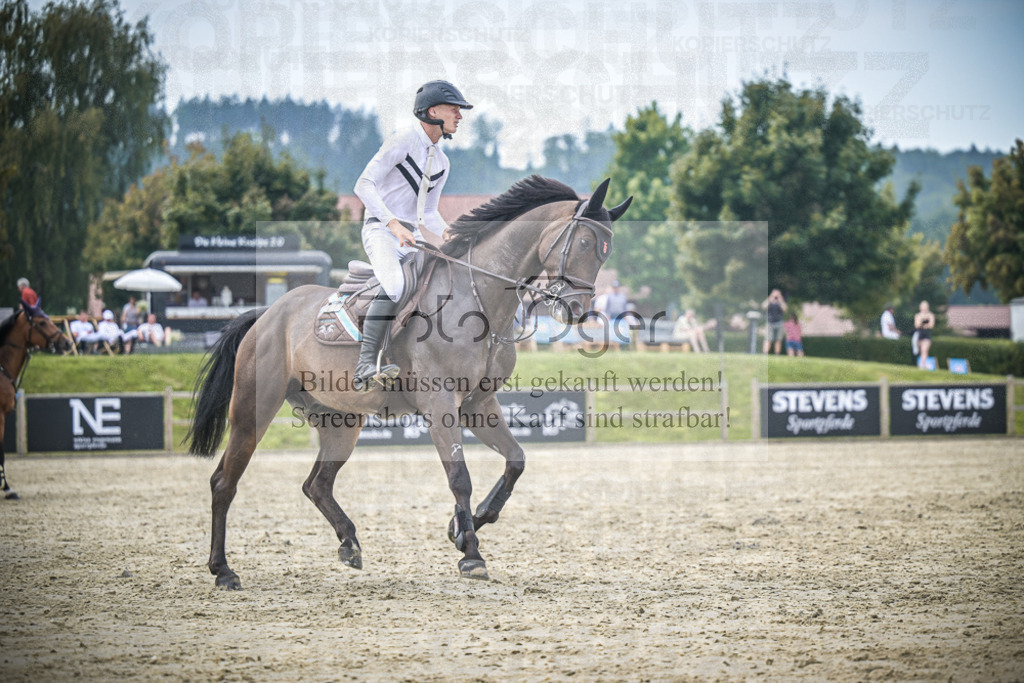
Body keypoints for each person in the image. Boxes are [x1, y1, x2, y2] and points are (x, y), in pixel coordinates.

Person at [351, 79, 472, 391]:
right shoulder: (402, 140)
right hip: (381, 231)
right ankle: (365, 364)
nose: (459, 116)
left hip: (412, 237)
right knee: (395, 285)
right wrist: (392, 223)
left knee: (438, 285)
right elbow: (363, 185)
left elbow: (428, 211)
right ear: (432, 111)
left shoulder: (442, 162)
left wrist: (448, 231)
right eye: (454, 109)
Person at [761, 288, 788, 355]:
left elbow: (785, 309)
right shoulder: (769, 301)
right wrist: (770, 298)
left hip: (779, 322)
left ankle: (777, 354)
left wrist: (780, 300)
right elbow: (763, 306)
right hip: (770, 322)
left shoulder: (780, 302)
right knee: (767, 339)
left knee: (778, 340)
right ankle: (765, 353)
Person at [913, 300, 936, 369]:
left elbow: (931, 325)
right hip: (919, 334)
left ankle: (923, 365)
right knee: (920, 351)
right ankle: (922, 364)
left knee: (924, 350)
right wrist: (924, 323)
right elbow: (916, 325)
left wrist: (923, 324)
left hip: (927, 335)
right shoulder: (918, 315)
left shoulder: (931, 315)